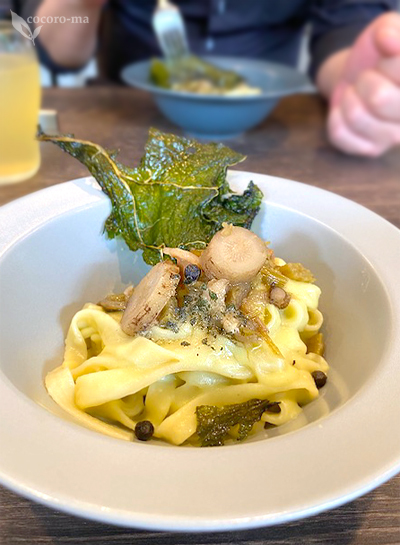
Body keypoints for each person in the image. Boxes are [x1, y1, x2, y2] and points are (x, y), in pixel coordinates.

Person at [22, 0, 400, 157]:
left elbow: (348, 24)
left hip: (272, 137)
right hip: (123, 129)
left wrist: (362, 84)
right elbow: (56, 50)